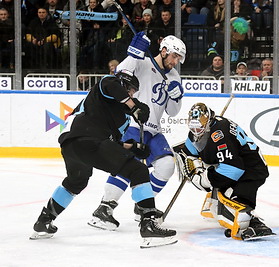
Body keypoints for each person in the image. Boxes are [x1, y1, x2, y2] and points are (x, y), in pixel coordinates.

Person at [30, 69, 178, 248]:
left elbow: (112, 143)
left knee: (76, 182)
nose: (131, 94)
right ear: (124, 85)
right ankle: (149, 225)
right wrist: (134, 106)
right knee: (138, 170)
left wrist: (133, 148)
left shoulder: (119, 117)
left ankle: (43, 222)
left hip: (72, 146)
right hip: (88, 140)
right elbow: (110, 86)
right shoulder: (107, 86)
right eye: (130, 90)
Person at [87, 33, 187, 230]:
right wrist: (134, 53)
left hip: (154, 129)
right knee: (127, 164)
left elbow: (173, 112)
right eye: (174, 56)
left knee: (167, 164)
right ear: (164, 50)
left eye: (179, 59)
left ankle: (142, 206)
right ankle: (104, 209)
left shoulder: (174, 76)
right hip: (133, 124)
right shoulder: (142, 62)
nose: (176, 62)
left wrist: (176, 97)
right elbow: (119, 74)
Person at [174, 102, 274, 240]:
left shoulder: (220, 133)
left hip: (251, 168)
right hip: (233, 164)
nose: (197, 131)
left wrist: (203, 179)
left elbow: (233, 169)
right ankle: (218, 201)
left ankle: (253, 223)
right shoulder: (199, 131)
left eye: (200, 126)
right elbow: (187, 151)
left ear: (208, 120)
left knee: (235, 198)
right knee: (222, 189)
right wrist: (184, 158)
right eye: (193, 127)